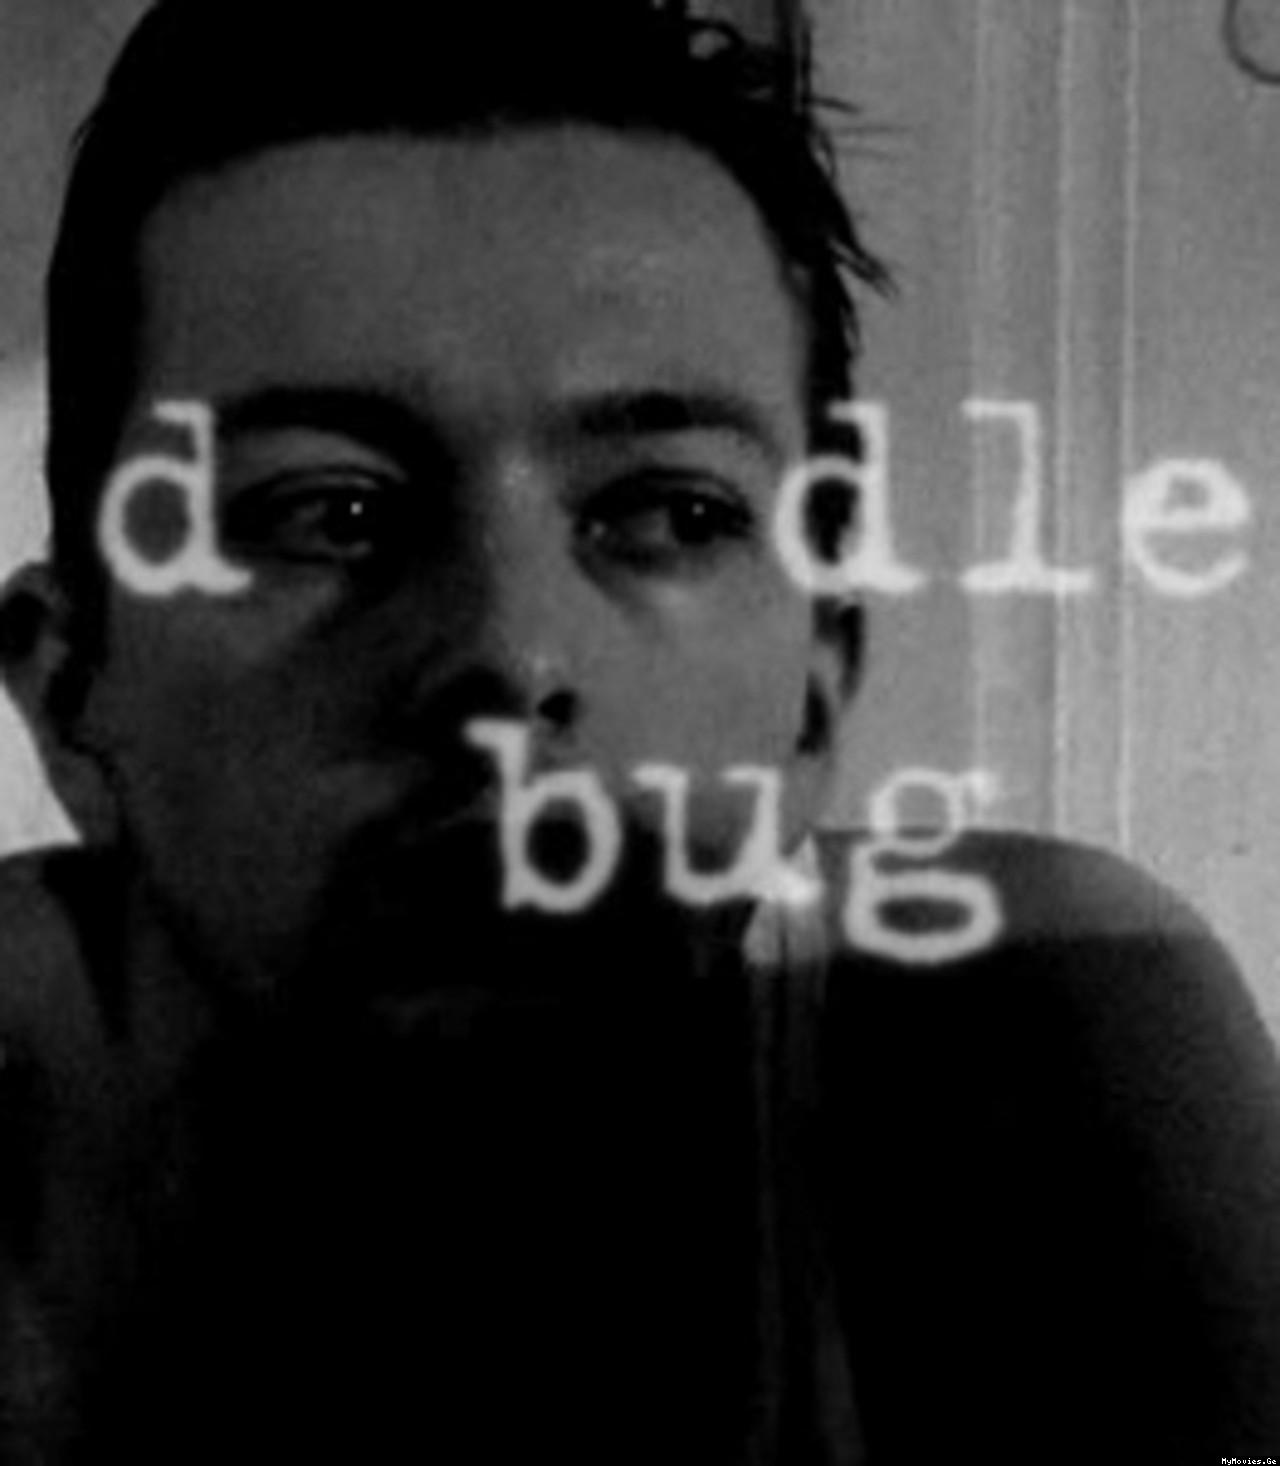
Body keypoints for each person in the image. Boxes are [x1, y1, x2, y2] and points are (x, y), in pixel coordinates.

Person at [0, 0, 1277, 1460]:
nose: (510, 654)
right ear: (71, 686)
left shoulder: (1046, 1022)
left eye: (668, 510)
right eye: (329, 511)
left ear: (818, 690)